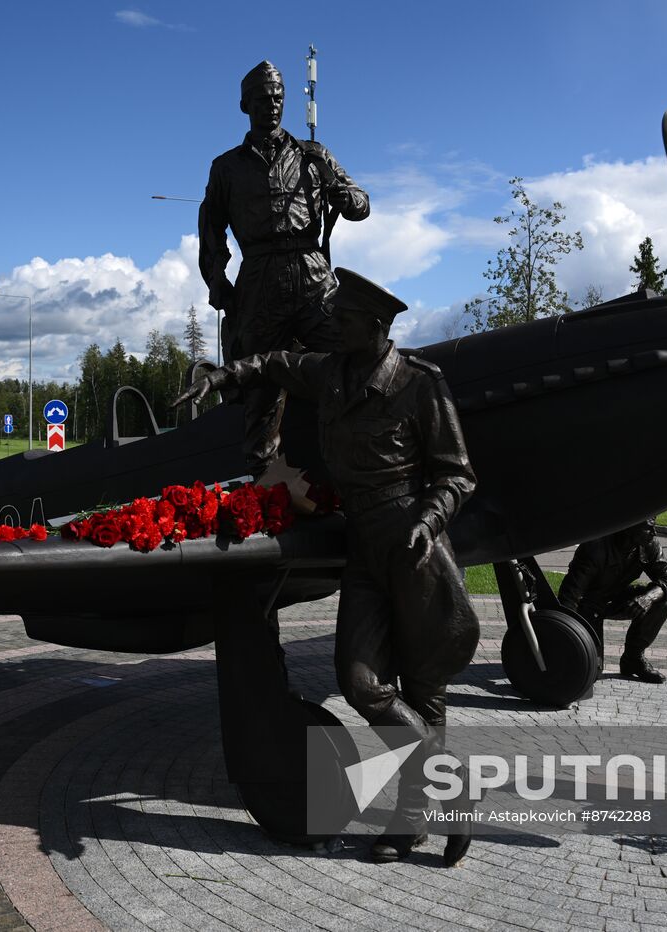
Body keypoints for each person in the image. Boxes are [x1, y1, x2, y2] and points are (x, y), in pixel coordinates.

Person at [176, 268, 478, 867]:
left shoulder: (419, 385)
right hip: (363, 547)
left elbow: (457, 473)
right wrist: (223, 375)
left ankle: (410, 821)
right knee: (361, 681)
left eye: (342, 319)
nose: (332, 324)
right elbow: (277, 364)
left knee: (425, 691)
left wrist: (428, 520)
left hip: (414, 547)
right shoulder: (332, 371)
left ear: (375, 326)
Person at [198, 60, 370, 476]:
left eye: (277, 98)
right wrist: (217, 278)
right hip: (260, 278)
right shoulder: (227, 167)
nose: (271, 106)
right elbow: (210, 227)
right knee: (260, 386)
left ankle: (362, 467)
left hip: (312, 273)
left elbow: (361, 204)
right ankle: (265, 487)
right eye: (262, 99)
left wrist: (344, 194)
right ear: (245, 105)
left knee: (352, 359)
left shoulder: (313, 155)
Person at [558, 518, 667, 684]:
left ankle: (633, 659)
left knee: (661, 602)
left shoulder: (648, 545)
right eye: (648, 528)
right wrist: (569, 637)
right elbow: (569, 596)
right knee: (590, 673)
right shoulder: (595, 547)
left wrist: (647, 598)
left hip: (616, 598)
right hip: (587, 606)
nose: (654, 533)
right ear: (629, 527)